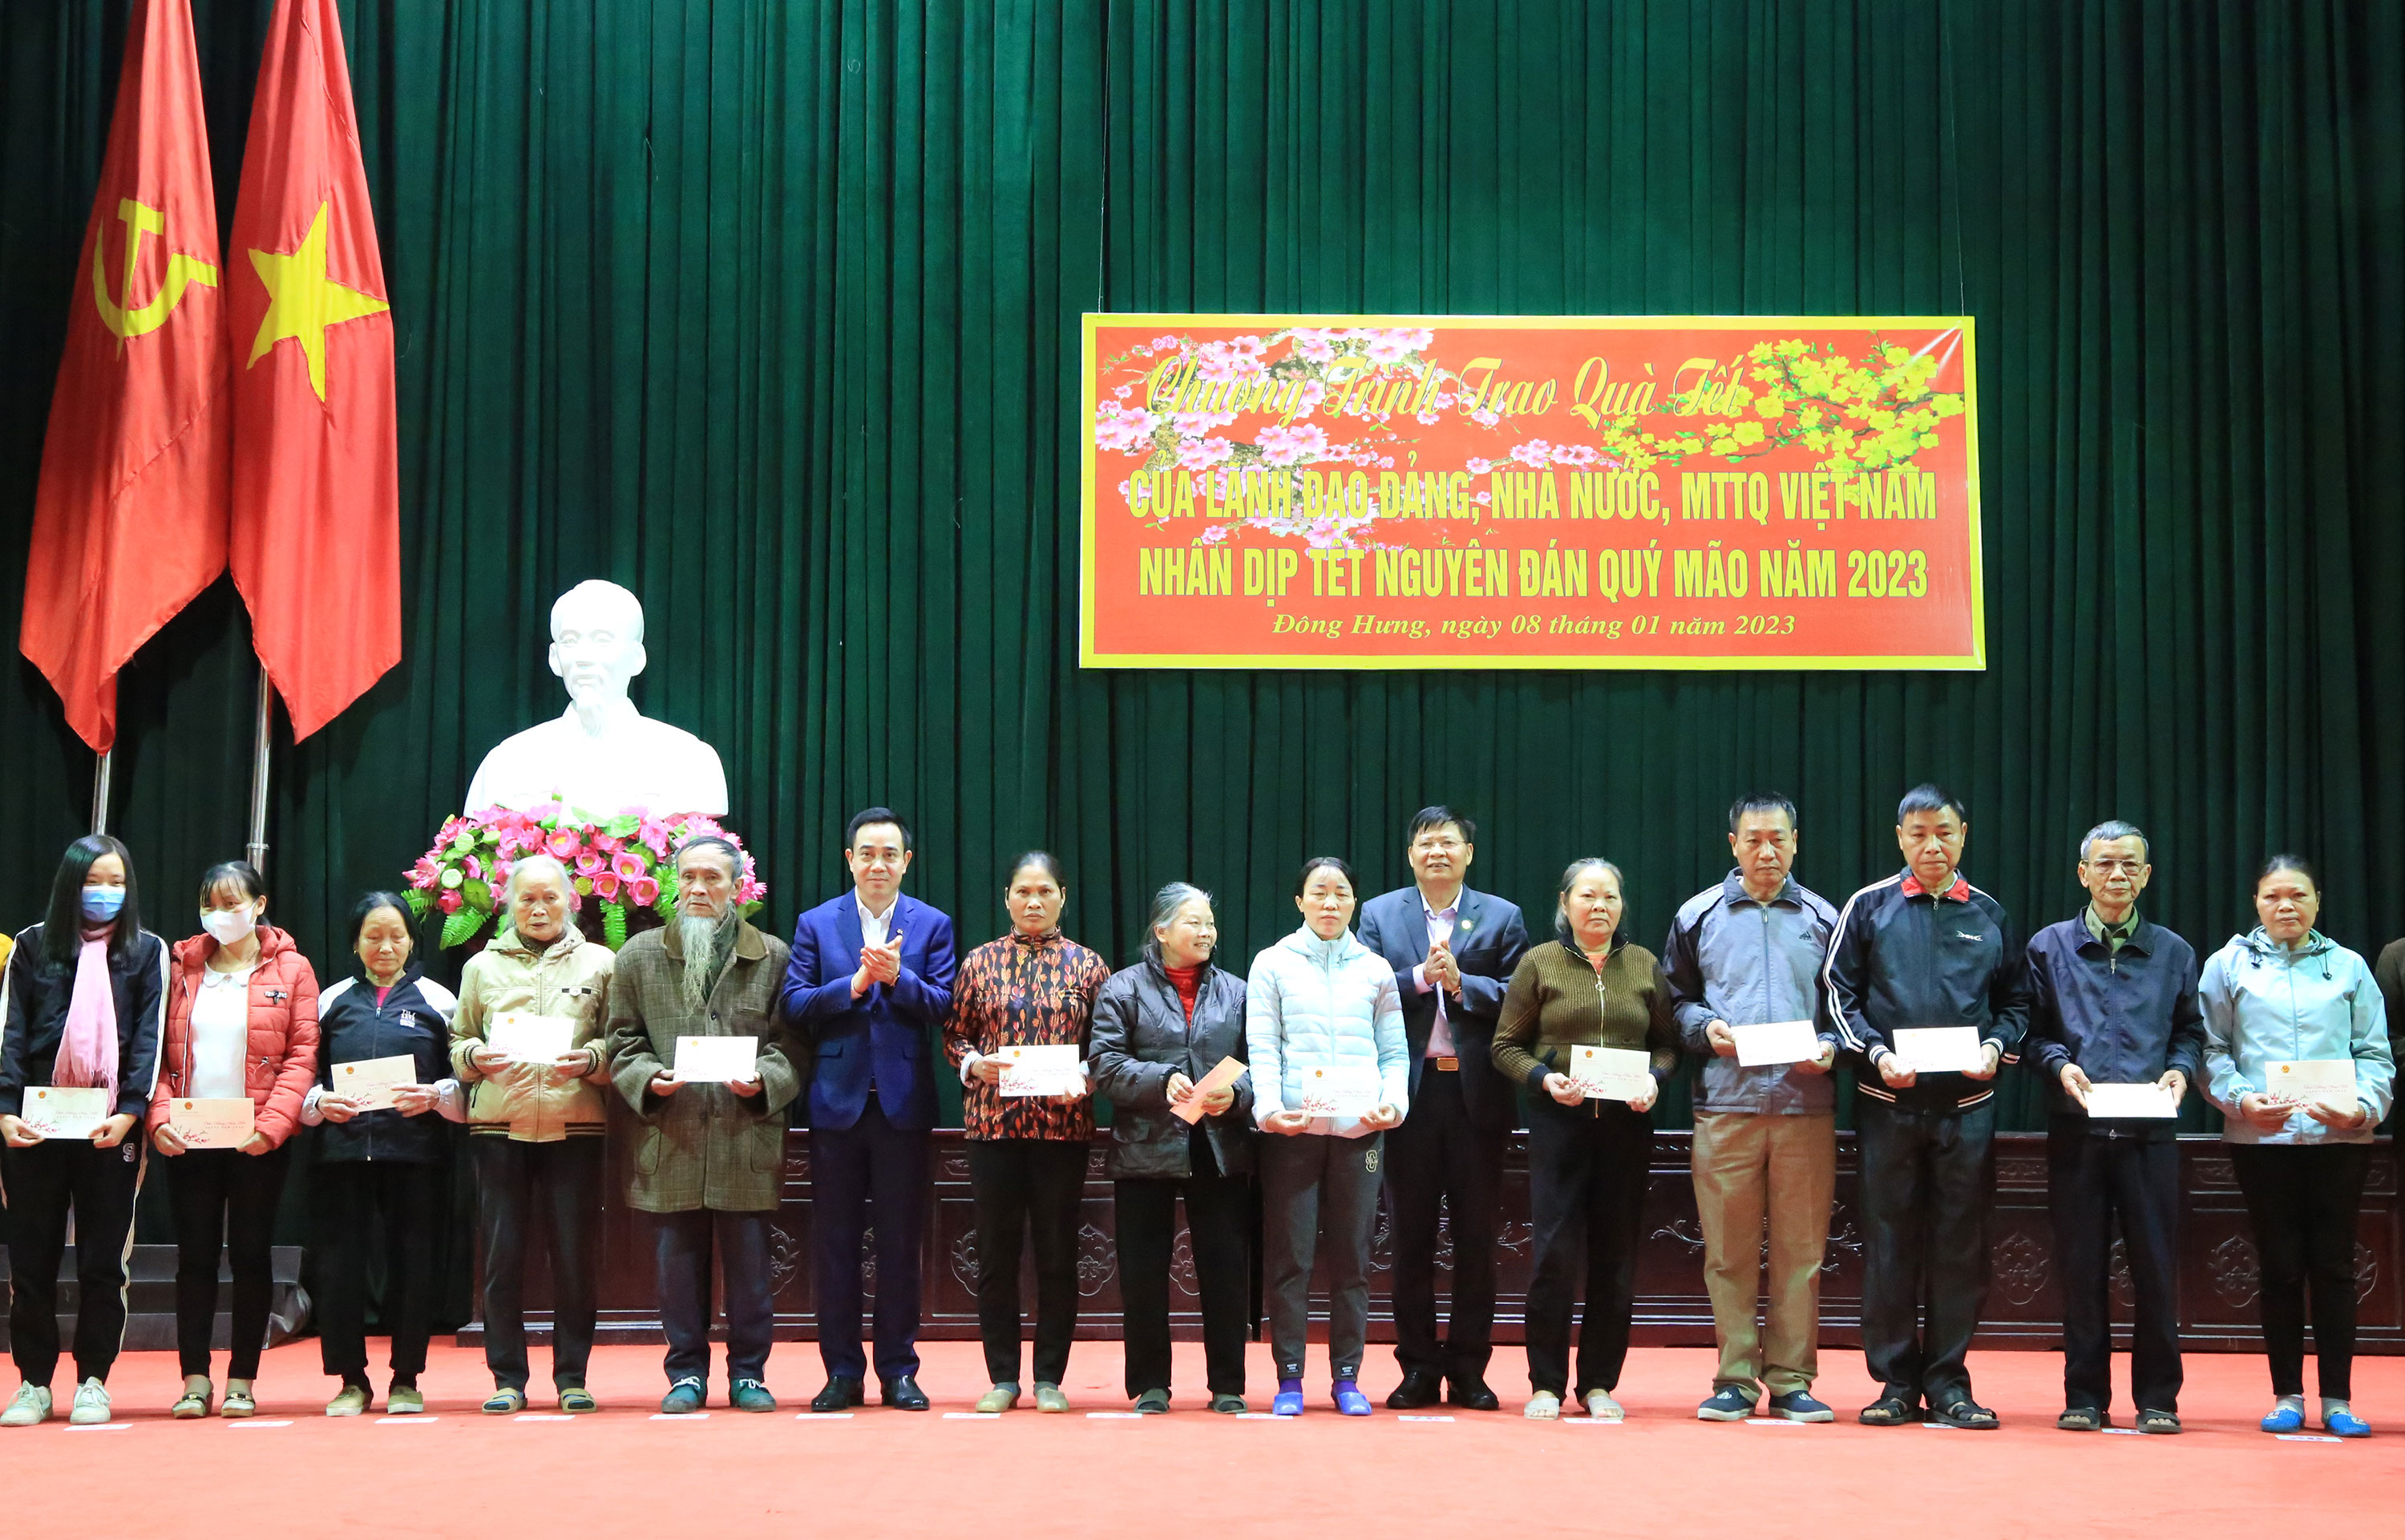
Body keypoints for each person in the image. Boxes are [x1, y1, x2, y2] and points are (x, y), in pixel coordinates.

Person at [1823, 783, 2030, 1430]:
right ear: (1900, 837)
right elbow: (1837, 993)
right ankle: (1895, 1383)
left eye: (1943, 831)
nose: (1931, 844)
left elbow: (2017, 1003)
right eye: (1918, 833)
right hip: (1888, 1103)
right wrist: (1876, 1052)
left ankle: (1948, 1383)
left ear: (1964, 834)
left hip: (1968, 1108)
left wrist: (1996, 1046)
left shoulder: (1989, 913)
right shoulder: (1869, 906)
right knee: (1889, 1246)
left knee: (1960, 1247)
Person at [607, 836, 805, 1414]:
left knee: (751, 1271)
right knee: (677, 1269)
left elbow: (794, 1044)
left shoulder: (773, 956)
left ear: (737, 887)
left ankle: (749, 1374)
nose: (698, 888)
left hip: (745, 1135)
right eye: (688, 877)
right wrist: (650, 1078)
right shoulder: (639, 955)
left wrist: (763, 1080)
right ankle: (686, 1374)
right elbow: (620, 1040)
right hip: (672, 1134)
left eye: (712, 878)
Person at [1662, 794, 1841, 1424]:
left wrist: (1831, 1045)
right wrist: (1703, 1027)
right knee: (1727, 1253)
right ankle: (1735, 1377)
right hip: (1725, 1107)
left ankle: (1792, 1379)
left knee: (1801, 1254)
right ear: (1733, 843)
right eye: (1754, 839)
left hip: (1805, 1108)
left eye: (1778, 839)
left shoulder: (1825, 917)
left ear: (1796, 842)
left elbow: (1848, 1006)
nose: (1767, 851)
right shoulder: (1698, 915)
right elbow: (1674, 999)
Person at [2201, 855, 2395, 1438]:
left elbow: (2375, 1053)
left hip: (2341, 1138)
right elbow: (2211, 1051)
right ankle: (2287, 1395)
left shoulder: (2349, 966)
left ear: (2317, 901)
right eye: (2273, 896)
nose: (2286, 905)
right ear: (2256, 903)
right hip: (2263, 1139)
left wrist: (2363, 1107)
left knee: (2335, 1267)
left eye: (2298, 895)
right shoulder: (2227, 965)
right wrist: (2242, 1101)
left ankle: (2338, 1399)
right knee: (2280, 1266)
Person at [2023, 820, 2203, 1435]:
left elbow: (2190, 1031)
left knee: (2155, 1269)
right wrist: (2059, 1064)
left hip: (2150, 1136)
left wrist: (2180, 1070)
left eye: (2129, 864)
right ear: (2083, 873)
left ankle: (2159, 1398)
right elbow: (2032, 1032)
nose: (2117, 874)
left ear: (2146, 875)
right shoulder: (2048, 947)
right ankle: (2084, 1396)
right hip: (2077, 1133)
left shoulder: (2174, 951)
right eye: (2104, 863)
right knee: (2081, 1269)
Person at [782, 807, 956, 1413]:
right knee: (835, 1245)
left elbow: (944, 1005)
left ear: (906, 861)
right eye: (866, 853)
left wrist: (898, 977)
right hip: (836, 1105)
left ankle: (899, 1370)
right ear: (849, 859)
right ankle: (842, 1372)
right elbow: (794, 1003)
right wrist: (855, 985)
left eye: (889, 854)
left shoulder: (932, 923)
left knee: (901, 1245)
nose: (877, 864)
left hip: (903, 1109)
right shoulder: (816, 922)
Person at [1355, 806, 1528, 1412]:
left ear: (1468, 853)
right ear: (1410, 854)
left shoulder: (1502, 915)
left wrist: (1461, 984)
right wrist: (1421, 978)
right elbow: (1364, 992)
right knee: (1410, 1239)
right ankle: (1418, 1368)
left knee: (1477, 1241)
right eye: (1426, 843)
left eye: (1448, 843)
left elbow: (1520, 997)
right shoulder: (1379, 914)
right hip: (1411, 1096)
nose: (1437, 852)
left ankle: (1469, 1369)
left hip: (1477, 1097)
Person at [1493, 859, 1678, 1421]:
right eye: (1588, 896)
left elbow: (1668, 1045)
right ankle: (1546, 1383)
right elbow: (1504, 1046)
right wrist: (1544, 1079)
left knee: (1615, 1258)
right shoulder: (1539, 963)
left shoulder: (1644, 965)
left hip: (1626, 1129)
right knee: (1553, 1255)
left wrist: (1655, 1079)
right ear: (1565, 902)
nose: (1600, 906)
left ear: (1622, 905)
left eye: (1610, 897)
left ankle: (1598, 1382)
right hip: (1559, 1126)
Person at [0, 836, 167, 1429]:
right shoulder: (31, 944)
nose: (105, 892)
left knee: (103, 1263)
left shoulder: (147, 950)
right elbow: (11, 1031)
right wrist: (5, 1110)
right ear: (71, 882)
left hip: (109, 1127)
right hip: (35, 1126)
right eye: (94, 880)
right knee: (31, 1263)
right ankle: (33, 1383)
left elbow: (149, 1035)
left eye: (117, 881)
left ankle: (94, 1380)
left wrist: (131, 1110)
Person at [147, 861, 321, 1420]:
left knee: (250, 1255)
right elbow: (154, 1054)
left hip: (257, 1138)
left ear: (259, 904)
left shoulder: (293, 968)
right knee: (194, 1259)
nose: (220, 914)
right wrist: (159, 1119)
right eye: (210, 904)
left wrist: (271, 1126)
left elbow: (302, 1055)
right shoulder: (179, 966)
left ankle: (242, 1378)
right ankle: (195, 1379)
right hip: (190, 1136)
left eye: (231, 903)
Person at [941, 851, 1110, 1413]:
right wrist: (974, 1064)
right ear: (1007, 898)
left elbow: (1106, 1046)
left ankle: (1049, 1378)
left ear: (1063, 896)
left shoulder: (1089, 966)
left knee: (1058, 1255)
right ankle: (1002, 1378)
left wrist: (1085, 1078)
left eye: (1045, 891)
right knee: (996, 1255)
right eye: (1023, 891)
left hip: (1063, 1131)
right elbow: (954, 1036)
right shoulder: (979, 962)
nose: (1033, 901)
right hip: (992, 1129)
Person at [451, 852, 616, 1413]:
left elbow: (619, 1038)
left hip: (577, 1125)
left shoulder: (601, 962)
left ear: (571, 900)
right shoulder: (481, 967)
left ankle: (572, 1376)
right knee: (502, 1260)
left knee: (574, 1259)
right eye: (527, 898)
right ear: (509, 904)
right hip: (499, 1127)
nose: (539, 908)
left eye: (550, 897)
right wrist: (474, 1056)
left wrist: (591, 1059)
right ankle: (508, 1379)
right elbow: (458, 1040)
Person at [1247, 855, 1406, 1418]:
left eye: (1341, 892)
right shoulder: (1272, 963)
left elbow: (1394, 1052)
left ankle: (1347, 1377)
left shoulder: (1376, 970)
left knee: (1353, 1261)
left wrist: (1394, 1104)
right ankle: (1289, 1377)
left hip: (1360, 1133)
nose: (1330, 902)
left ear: (1355, 902)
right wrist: (1269, 1109)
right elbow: (1263, 1046)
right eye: (1319, 891)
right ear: (1300, 901)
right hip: (1293, 1132)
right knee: (1291, 1259)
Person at [1090, 883, 1255, 1414]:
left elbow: (1262, 1066)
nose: (1207, 932)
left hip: (1218, 1146)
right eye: (1194, 922)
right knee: (1142, 1271)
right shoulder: (1122, 989)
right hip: (1145, 1145)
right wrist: (1161, 1079)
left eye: (1210, 923)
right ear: (1161, 930)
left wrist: (1238, 1094)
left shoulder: (1238, 992)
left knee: (1224, 1269)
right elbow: (1105, 1066)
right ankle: (1150, 1384)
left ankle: (1227, 1384)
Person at [305, 892, 464, 1417]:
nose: (386, 946)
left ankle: (406, 1378)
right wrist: (318, 1102)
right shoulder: (330, 1001)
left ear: (412, 941)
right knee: (340, 1269)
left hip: (416, 1154)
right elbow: (302, 1077)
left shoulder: (439, 1000)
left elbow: (463, 1080)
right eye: (373, 936)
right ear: (355, 942)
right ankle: (350, 1380)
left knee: (414, 1267)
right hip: (342, 1155)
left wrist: (437, 1095)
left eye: (397, 935)